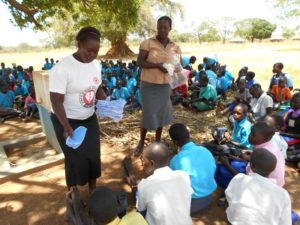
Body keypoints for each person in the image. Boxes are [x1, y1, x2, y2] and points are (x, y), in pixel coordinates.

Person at [49, 26, 106, 194]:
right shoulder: (62, 68)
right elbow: (56, 100)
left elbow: (97, 88)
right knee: (74, 159)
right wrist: (66, 127)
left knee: (92, 156)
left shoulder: (96, 65)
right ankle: (73, 195)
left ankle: (93, 190)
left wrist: (106, 104)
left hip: (89, 118)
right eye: (89, 50)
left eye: (96, 52)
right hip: (66, 120)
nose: (92, 55)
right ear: (79, 44)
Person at [135, 16, 182, 156]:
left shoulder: (175, 47)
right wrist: (157, 66)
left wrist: (176, 68)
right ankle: (141, 142)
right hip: (148, 85)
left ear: (170, 29)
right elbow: (140, 62)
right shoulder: (148, 43)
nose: (162, 30)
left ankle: (157, 141)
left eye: (165, 27)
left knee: (161, 114)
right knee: (148, 114)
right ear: (157, 28)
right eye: (160, 27)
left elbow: (179, 66)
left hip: (164, 85)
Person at [225, 148, 292, 225]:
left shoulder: (239, 178)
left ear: (251, 165)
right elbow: (285, 223)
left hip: (234, 221)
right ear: (272, 170)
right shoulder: (283, 194)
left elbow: (229, 196)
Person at [137, 142, 193, 225]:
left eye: (143, 160)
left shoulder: (144, 185)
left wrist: (137, 189)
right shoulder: (183, 176)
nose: (143, 164)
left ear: (152, 163)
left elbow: (141, 209)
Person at [169, 123, 217, 215]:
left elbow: (172, 183)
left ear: (175, 142)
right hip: (209, 197)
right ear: (188, 135)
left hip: (191, 204)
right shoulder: (205, 151)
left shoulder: (176, 160)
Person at [65, 186, 148, 225]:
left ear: (91, 217)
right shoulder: (135, 216)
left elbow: (71, 219)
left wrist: (69, 203)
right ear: (119, 204)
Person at [247, 122, 285, 187]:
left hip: (269, 186)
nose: (249, 135)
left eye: (253, 135)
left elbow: (252, 174)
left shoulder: (265, 151)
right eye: (251, 132)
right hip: (276, 182)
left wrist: (227, 164)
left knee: (236, 166)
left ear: (267, 138)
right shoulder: (270, 145)